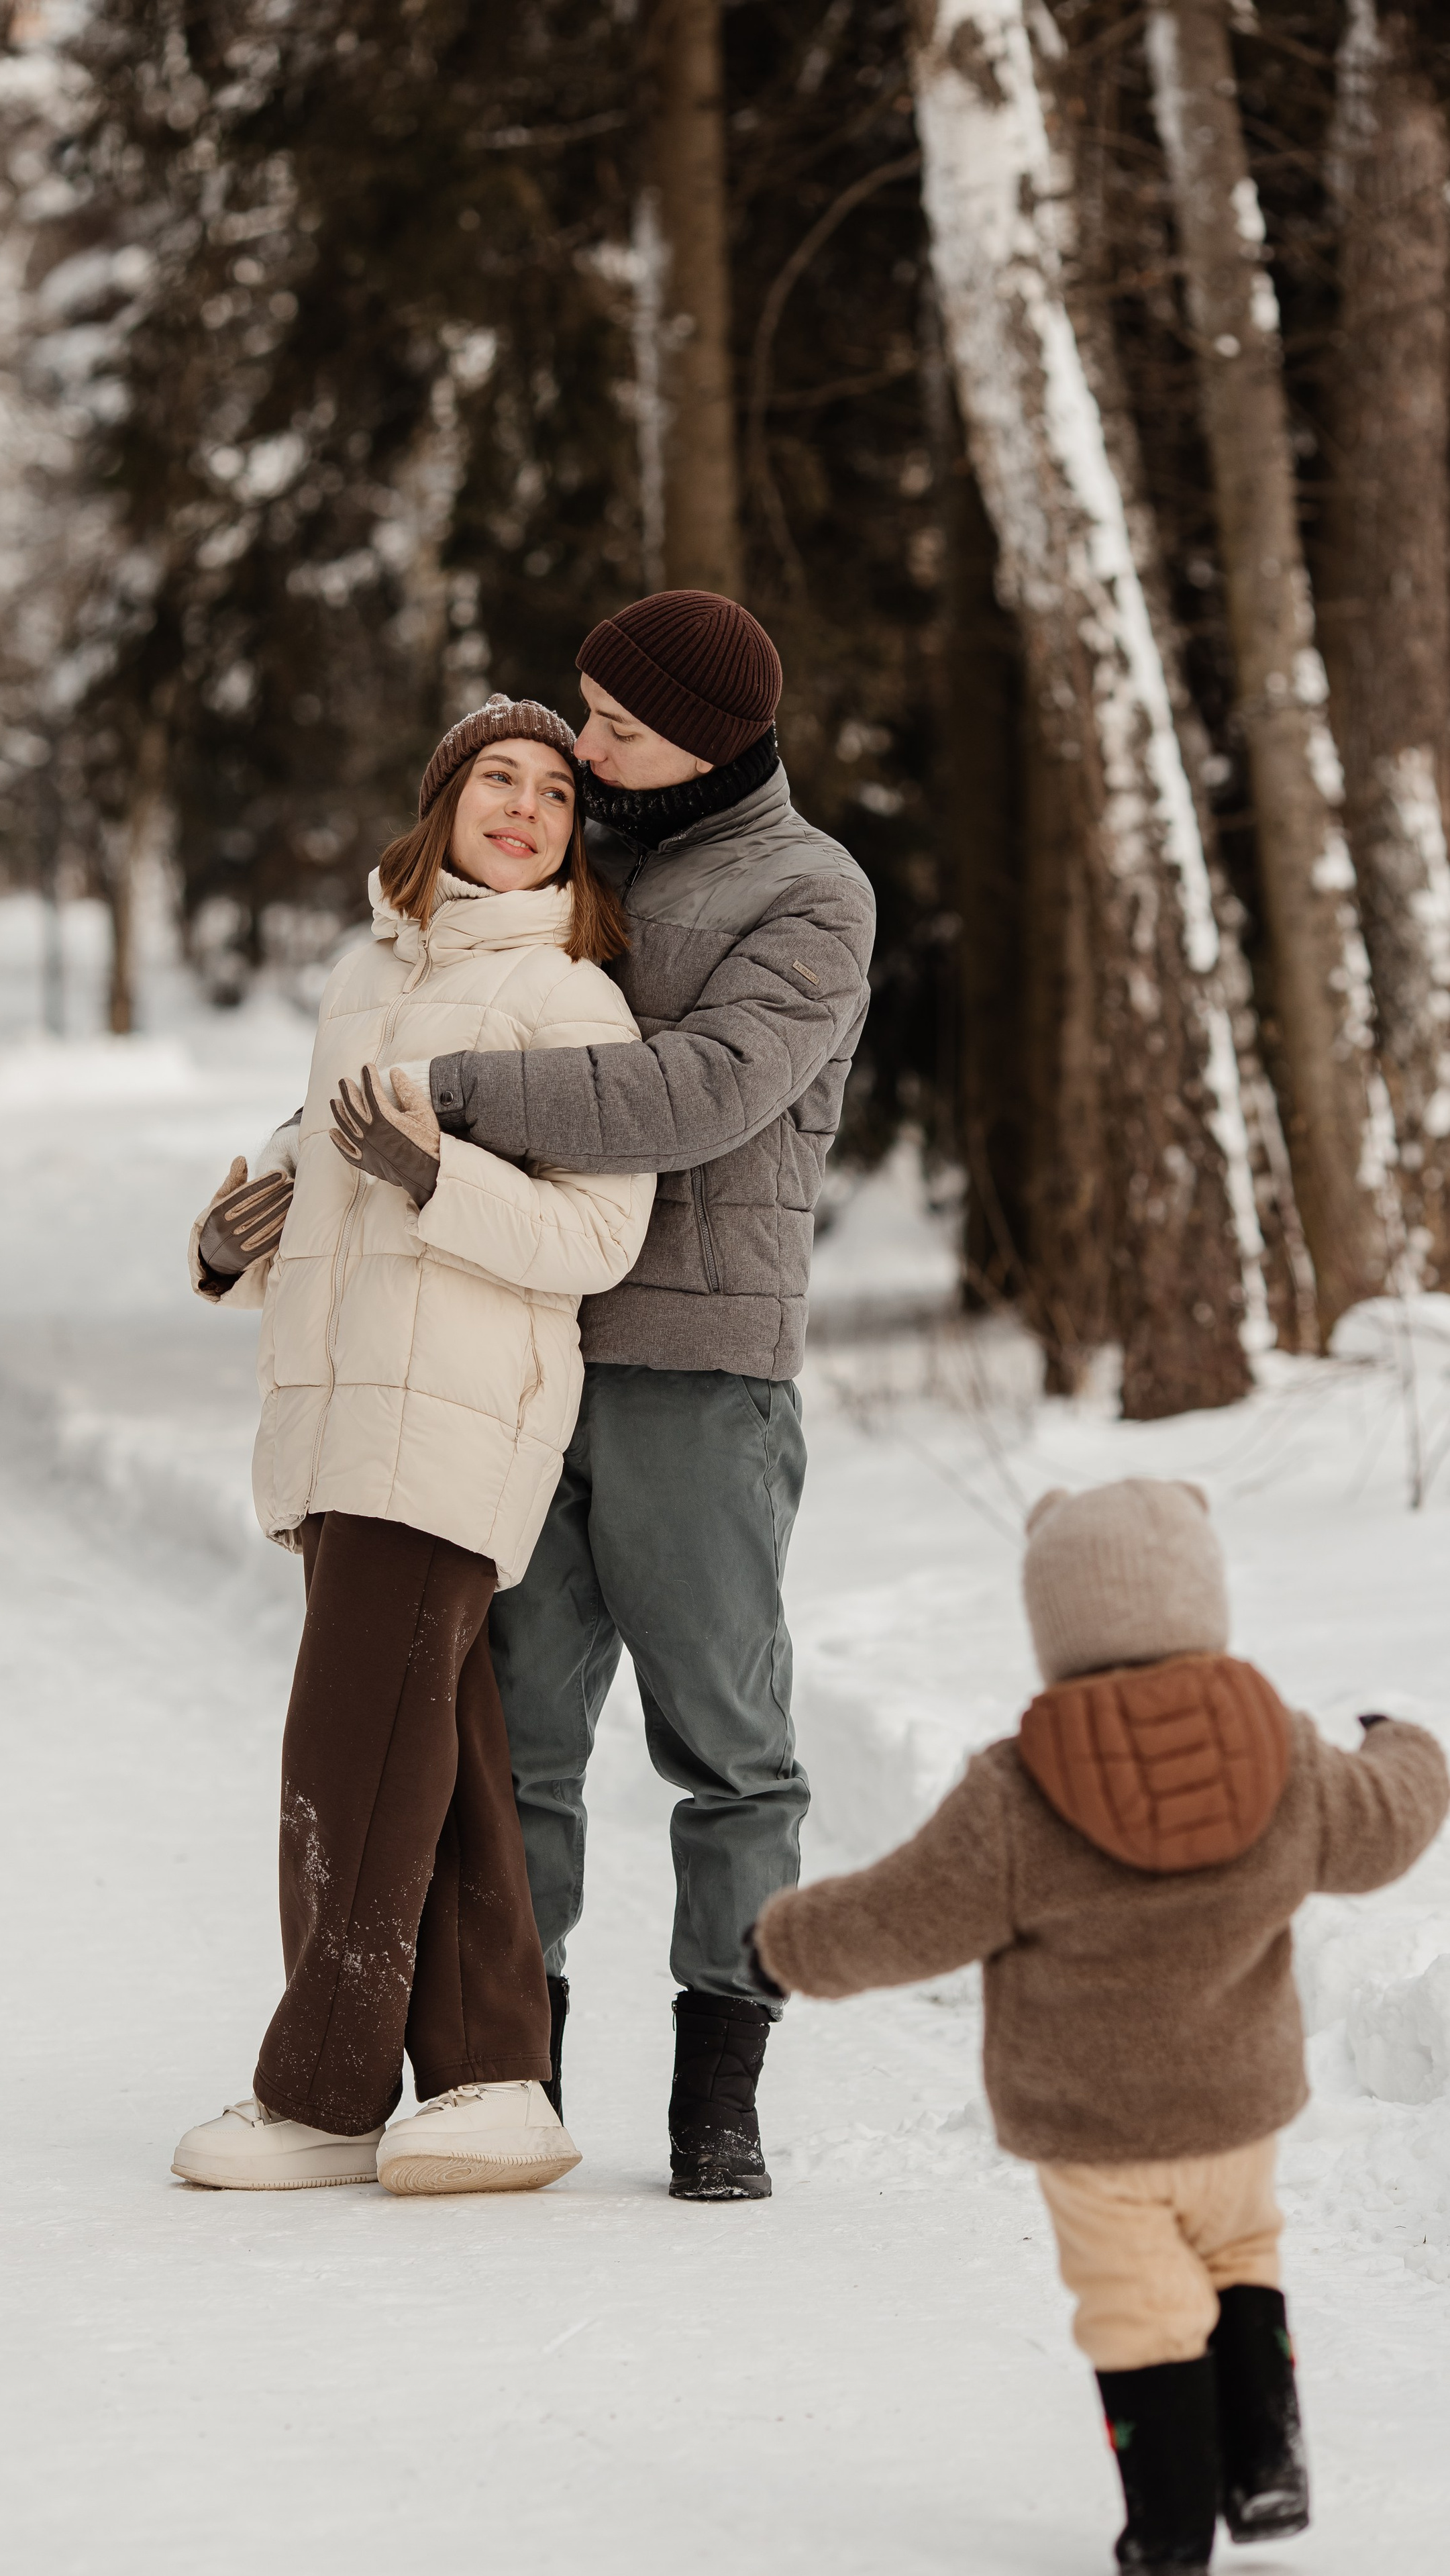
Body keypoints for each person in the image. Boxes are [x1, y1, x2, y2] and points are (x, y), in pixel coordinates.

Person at [393, 589, 876, 2200]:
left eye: (612, 724)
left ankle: (717, 2085)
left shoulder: (811, 894)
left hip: (699, 1369)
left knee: (725, 1743)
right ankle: (501, 2071)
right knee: (514, 1729)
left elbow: (697, 1092)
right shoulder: (593, 860)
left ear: (709, 740)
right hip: (532, 1338)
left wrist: (445, 1097)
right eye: (585, 714)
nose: (579, 745)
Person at [750, 1478, 1449, 2575]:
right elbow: (1389, 1823)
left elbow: (902, 1915)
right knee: (1240, 2255)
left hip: (1097, 2129)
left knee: (1140, 2303)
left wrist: (787, 1941)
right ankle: (1265, 2469)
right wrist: (1404, 1744)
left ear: (1056, 1617)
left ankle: (1170, 2526)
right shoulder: (1283, 1756)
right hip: (1235, 2111)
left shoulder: (1018, 1790)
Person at [171, 697, 656, 2198]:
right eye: (494, 779)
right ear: (441, 798)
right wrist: (228, 1241)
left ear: (576, 837)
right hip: (338, 1406)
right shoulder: (367, 975)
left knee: (350, 1742)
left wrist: (437, 1174)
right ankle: (487, 2076)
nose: (523, 807)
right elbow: (320, 1168)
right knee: (429, 1750)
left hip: (451, 1410)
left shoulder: (569, 995)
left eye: (556, 793)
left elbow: (597, 1231)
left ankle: (319, 2090)